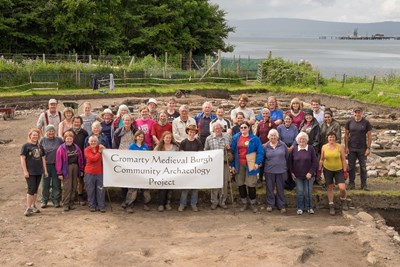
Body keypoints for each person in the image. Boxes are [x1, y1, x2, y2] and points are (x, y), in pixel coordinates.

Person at [231, 121, 264, 213]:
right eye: (241, 128)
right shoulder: (235, 138)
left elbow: (260, 152)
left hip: (251, 163)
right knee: (241, 184)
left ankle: (253, 204)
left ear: (249, 128)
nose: (243, 129)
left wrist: (257, 163)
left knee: (251, 184)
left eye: (245, 127)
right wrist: (232, 165)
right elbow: (232, 153)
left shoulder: (254, 138)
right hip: (239, 164)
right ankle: (244, 203)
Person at [319, 131, 350, 215]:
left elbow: (343, 159)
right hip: (327, 169)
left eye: (333, 137)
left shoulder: (340, 147)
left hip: (338, 169)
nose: (331, 139)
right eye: (330, 137)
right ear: (327, 138)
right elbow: (322, 159)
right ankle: (331, 205)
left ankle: (343, 200)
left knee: (342, 188)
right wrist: (319, 170)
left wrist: (345, 171)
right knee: (330, 187)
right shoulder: (324, 147)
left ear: (335, 138)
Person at [20, 128, 48, 216]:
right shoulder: (26, 146)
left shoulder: (40, 146)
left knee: (35, 189)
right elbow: (22, 159)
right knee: (31, 189)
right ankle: (28, 208)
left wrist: (45, 170)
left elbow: (43, 158)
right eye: (33, 135)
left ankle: (33, 205)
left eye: (36, 135)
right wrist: (25, 171)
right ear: (30, 136)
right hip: (30, 171)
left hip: (39, 171)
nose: (35, 136)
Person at [204, 122, 232, 210]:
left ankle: (222, 201)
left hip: (224, 163)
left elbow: (231, 149)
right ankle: (214, 202)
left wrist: (228, 148)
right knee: (215, 183)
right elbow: (206, 150)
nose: (218, 129)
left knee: (224, 182)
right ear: (213, 129)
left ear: (222, 129)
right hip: (214, 164)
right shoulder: (209, 138)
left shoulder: (227, 137)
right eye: (216, 128)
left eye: (219, 128)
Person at [289, 132, 318, 215]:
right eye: (300, 139)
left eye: (304, 139)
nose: (302, 140)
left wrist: (310, 172)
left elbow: (315, 162)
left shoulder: (311, 148)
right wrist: (292, 172)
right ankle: (300, 208)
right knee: (300, 192)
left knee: (308, 192)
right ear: (298, 140)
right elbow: (290, 162)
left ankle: (309, 207)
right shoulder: (294, 149)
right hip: (298, 175)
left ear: (306, 140)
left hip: (309, 175)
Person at [345, 107, 372, 191]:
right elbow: (346, 135)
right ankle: (351, 183)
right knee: (351, 167)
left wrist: (368, 148)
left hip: (362, 148)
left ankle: (364, 185)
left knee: (363, 167)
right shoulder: (349, 122)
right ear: (353, 113)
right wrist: (346, 147)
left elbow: (369, 135)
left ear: (361, 113)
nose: (357, 114)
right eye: (355, 113)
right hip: (351, 148)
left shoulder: (366, 122)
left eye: (359, 112)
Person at [56, 131, 84, 212]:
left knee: (74, 186)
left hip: (75, 167)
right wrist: (60, 172)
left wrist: (81, 169)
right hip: (66, 168)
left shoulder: (76, 147)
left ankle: (71, 203)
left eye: (70, 138)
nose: (69, 140)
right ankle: (65, 204)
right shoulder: (61, 148)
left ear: (73, 139)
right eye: (67, 138)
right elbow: (58, 161)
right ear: (64, 139)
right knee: (67, 187)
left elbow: (81, 158)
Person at [112, 114, 137, 205]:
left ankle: (131, 200)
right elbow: (114, 145)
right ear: (123, 121)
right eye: (125, 120)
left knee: (131, 179)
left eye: (128, 120)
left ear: (131, 121)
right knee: (123, 179)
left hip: (132, 159)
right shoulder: (118, 132)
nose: (127, 122)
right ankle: (124, 198)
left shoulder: (135, 130)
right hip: (121, 159)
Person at [124, 130, 151, 212]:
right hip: (134, 171)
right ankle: (129, 204)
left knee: (145, 189)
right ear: (135, 137)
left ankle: (146, 204)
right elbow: (128, 158)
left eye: (142, 137)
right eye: (139, 136)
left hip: (144, 171)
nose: (140, 138)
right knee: (132, 189)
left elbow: (149, 158)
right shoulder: (132, 146)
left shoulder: (146, 147)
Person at [178, 125, 204, 212]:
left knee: (195, 188)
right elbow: (181, 155)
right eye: (190, 131)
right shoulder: (183, 142)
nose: (191, 133)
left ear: (195, 133)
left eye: (193, 132)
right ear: (187, 132)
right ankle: (182, 204)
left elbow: (201, 155)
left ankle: (193, 204)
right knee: (185, 188)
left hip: (196, 168)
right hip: (186, 169)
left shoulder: (198, 143)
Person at [264, 129, 289, 213]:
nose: (273, 137)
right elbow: (263, 158)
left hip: (281, 170)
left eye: (275, 135)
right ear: (269, 137)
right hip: (269, 171)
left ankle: (281, 205)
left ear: (277, 136)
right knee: (269, 189)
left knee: (280, 189)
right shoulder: (265, 146)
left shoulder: (283, 145)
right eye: (271, 135)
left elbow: (287, 157)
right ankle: (270, 205)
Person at [154, 131, 179, 212]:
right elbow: (153, 157)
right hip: (161, 171)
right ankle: (161, 204)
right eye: (166, 138)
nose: (168, 139)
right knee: (162, 188)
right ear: (163, 138)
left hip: (172, 171)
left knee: (170, 188)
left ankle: (167, 203)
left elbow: (181, 157)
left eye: (169, 138)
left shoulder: (175, 147)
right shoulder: (158, 147)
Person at [39, 125, 63, 208]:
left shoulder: (59, 140)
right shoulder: (42, 140)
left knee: (56, 184)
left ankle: (56, 200)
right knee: (45, 184)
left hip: (57, 165)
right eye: (49, 131)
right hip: (46, 165)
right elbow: (39, 152)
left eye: (52, 131)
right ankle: (44, 200)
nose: (51, 132)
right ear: (46, 132)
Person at [84, 136, 106, 213]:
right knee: (90, 190)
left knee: (100, 190)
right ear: (89, 142)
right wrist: (99, 152)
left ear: (97, 142)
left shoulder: (100, 148)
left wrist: (104, 148)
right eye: (92, 141)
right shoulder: (87, 150)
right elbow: (93, 158)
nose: (93, 142)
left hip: (99, 172)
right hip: (89, 172)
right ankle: (92, 205)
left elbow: (106, 155)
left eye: (95, 141)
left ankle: (101, 206)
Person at [256, 108, 277, 187]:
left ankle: (269, 179)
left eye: (267, 114)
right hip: (261, 146)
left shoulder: (272, 124)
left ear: (269, 114)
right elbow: (257, 135)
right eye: (263, 114)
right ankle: (260, 179)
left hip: (269, 146)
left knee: (268, 162)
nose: (265, 115)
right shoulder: (260, 123)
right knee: (261, 162)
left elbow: (274, 136)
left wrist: (266, 144)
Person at [278, 114, 299, 190]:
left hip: (292, 147)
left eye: (289, 119)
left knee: (292, 165)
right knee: (285, 165)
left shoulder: (294, 128)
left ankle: (293, 183)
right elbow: (278, 138)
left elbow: (296, 138)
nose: (287, 120)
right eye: (286, 119)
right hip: (283, 147)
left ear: (291, 120)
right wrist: (285, 147)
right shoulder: (280, 127)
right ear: (284, 120)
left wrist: (292, 147)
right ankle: (285, 183)